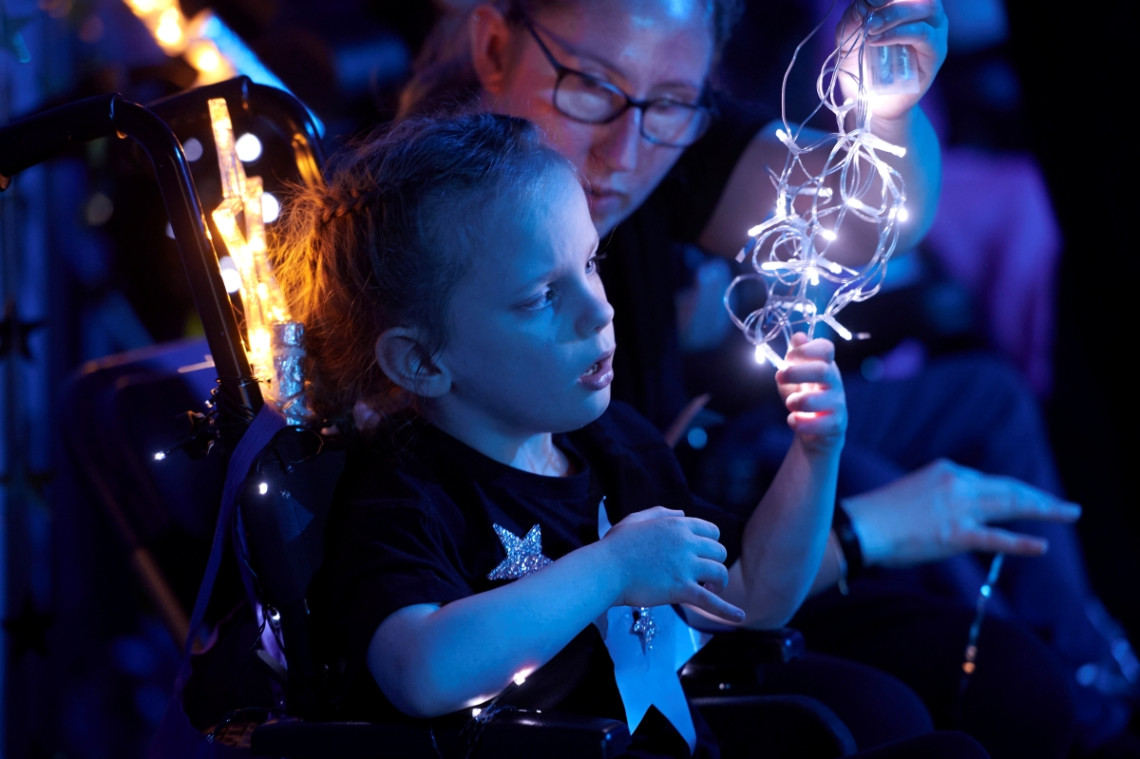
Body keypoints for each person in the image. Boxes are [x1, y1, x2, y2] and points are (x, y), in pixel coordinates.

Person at [389, 1, 1121, 755]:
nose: (625, 150)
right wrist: (864, 528)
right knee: (943, 698)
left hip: (679, 518)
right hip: (639, 593)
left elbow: (871, 218)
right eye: (590, 86)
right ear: (494, 45)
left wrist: (890, 112)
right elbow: (426, 657)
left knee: (980, 415)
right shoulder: (432, 236)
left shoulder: (662, 161)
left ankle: (1100, 687)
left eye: (673, 102)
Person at [274, 109, 988, 757]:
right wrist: (609, 570)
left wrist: (815, 455)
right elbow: (423, 670)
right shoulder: (405, 496)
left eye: (589, 264)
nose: (597, 311)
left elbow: (751, 595)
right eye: (541, 296)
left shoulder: (614, 444)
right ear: (424, 359)